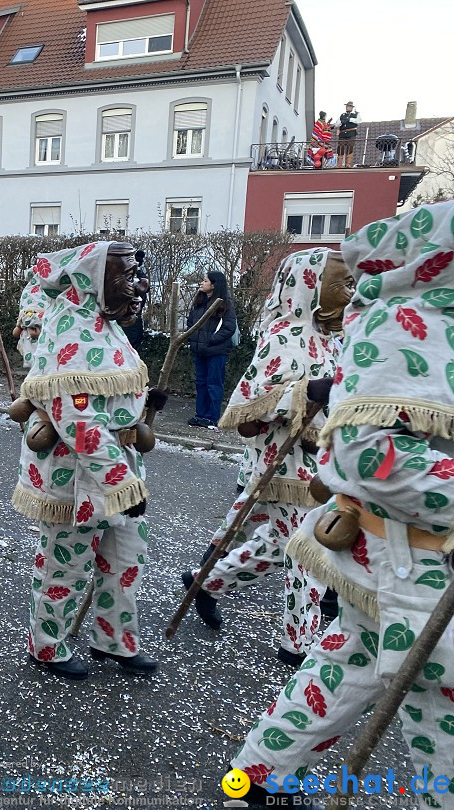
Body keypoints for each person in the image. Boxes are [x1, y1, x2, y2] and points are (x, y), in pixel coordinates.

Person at [228, 200, 454, 808]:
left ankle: (255, 773)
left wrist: (327, 403)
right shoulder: (387, 325)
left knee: (339, 634)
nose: (338, 287)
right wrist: (299, 400)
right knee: (273, 552)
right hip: (368, 520)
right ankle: (217, 583)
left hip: (342, 497)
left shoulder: (367, 326)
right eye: (327, 279)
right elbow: (252, 412)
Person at [180, 247, 351, 667]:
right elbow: (246, 409)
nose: (348, 293)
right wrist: (305, 393)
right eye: (339, 284)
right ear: (309, 287)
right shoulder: (282, 336)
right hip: (282, 467)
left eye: (350, 284)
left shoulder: (337, 339)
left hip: (320, 465)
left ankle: (208, 582)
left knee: (278, 547)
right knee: (309, 553)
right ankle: (300, 645)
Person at [11, 241, 167, 679]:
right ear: (94, 278)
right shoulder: (70, 328)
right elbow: (80, 419)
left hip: (121, 469)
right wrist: (121, 484)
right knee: (66, 565)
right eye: (125, 275)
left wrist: (138, 402)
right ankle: (46, 645)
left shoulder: (105, 324)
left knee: (125, 560)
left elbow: (111, 388)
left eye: (136, 273)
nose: (135, 285)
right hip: (74, 476)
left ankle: (114, 640)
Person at [187, 270, 236, 428]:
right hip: (199, 351)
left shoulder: (225, 304)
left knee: (214, 384)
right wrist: (192, 339)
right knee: (200, 383)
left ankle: (212, 417)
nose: (202, 283)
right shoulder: (199, 302)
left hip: (216, 352)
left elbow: (229, 328)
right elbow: (190, 323)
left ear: (214, 285)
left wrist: (209, 341)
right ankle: (200, 414)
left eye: (205, 281)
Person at [12, 269, 49, 370]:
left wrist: (39, 334)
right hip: (30, 354)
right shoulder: (24, 318)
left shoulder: (47, 318)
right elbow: (15, 333)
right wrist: (20, 324)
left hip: (46, 355)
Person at [336, 100, 358, 168]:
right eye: (347, 106)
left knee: (350, 147)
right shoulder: (342, 115)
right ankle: (339, 164)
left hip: (351, 133)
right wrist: (341, 122)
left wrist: (350, 119)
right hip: (342, 133)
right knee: (340, 147)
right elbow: (337, 124)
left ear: (351, 107)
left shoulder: (355, 114)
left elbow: (359, 120)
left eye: (349, 106)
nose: (347, 107)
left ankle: (348, 163)